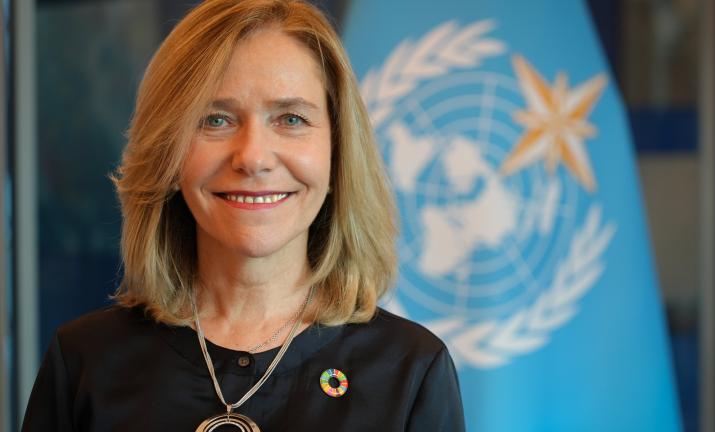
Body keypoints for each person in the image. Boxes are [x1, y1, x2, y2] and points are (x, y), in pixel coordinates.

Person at [22, 0, 465, 431]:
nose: (253, 158)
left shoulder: (411, 370)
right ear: (168, 155)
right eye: (215, 120)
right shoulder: (83, 361)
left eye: (291, 119)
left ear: (338, 153)